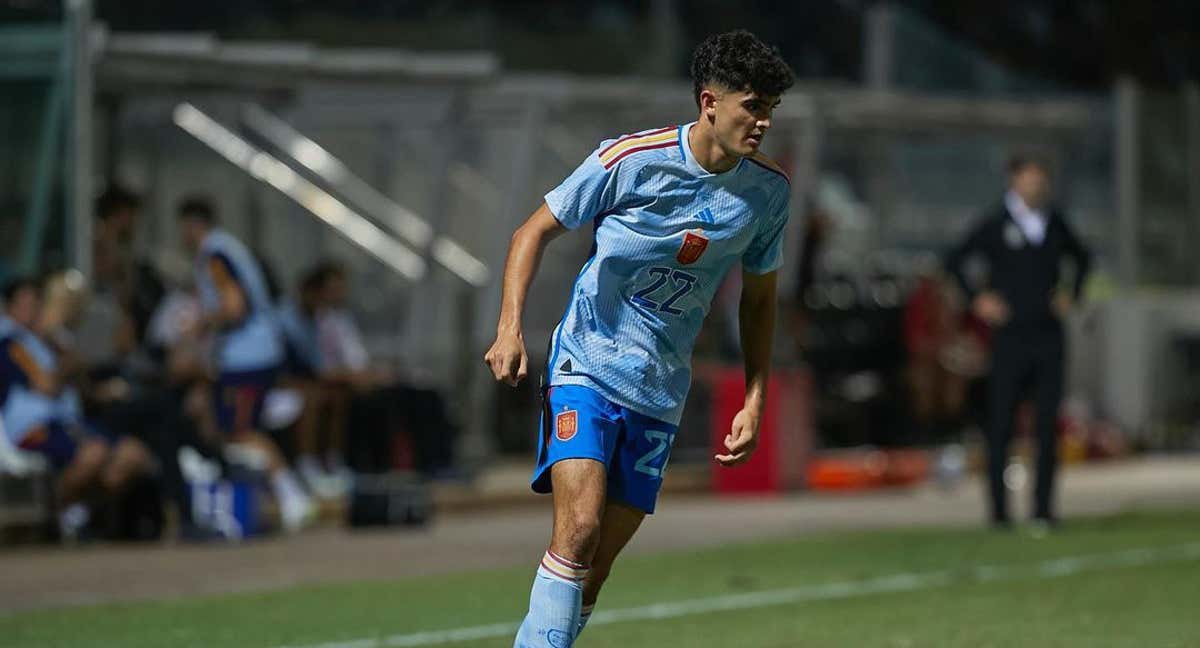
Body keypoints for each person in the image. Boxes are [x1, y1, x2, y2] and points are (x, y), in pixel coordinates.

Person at [484, 30, 794, 646]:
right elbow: (530, 232)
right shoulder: (630, 159)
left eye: (769, 110)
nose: (762, 122)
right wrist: (509, 328)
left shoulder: (767, 193)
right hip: (587, 364)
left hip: (659, 387)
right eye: (751, 106)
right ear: (710, 101)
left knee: (593, 574)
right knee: (578, 530)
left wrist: (755, 396)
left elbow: (759, 300)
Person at [945, 154, 1091, 531]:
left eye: (1040, 179)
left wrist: (1070, 293)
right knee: (1001, 424)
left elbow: (1083, 258)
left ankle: (1043, 509)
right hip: (1009, 339)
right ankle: (998, 512)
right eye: (1029, 178)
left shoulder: (1053, 221)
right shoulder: (996, 223)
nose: (1036, 186)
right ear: (1014, 180)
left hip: (1048, 337)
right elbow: (955, 260)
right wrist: (978, 299)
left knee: (1046, 426)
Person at [178, 196, 315, 532]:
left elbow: (234, 306)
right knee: (227, 429)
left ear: (192, 225)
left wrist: (201, 324)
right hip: (255, 352)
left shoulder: (214, 255)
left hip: (247, 356)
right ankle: (270, 496)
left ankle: (292, 494)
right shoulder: (228, 248)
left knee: (239, 432)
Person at [0, 275, 155, 541]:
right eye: (24, 304)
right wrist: (66, 360)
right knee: (93, 455)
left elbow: (81, 381)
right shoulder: (11, 342)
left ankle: (81, 515)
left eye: (35, 303)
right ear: (10, 308)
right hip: (32, 428)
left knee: (133, 455)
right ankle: (53, 517)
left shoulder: (48, 341)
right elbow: (47, 384)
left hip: (68, 423)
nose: (32, 310)